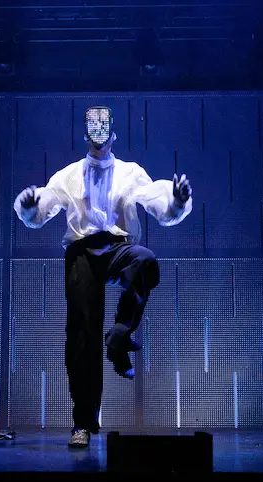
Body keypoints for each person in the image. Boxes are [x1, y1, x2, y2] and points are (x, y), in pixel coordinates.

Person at [14, 106, 193, 447]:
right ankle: (82, 423)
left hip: (117, 249)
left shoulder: (129, 173)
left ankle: (120, 335)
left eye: (103, 130)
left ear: (113, 136)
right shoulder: (69, 175)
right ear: (86, 136)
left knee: (145, 261)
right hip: (82, 252)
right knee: (82, 336)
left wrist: (177, 200)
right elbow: (43, 207)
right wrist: (29, 206)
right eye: (93, 130)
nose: (99, 137)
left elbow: (158, 202)